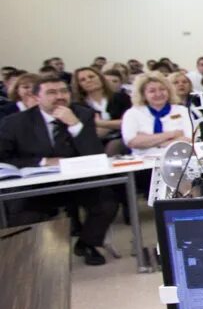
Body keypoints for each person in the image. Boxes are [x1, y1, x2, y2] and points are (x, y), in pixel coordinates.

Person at [0, 75, 117, 264]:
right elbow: (4, 157)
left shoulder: (82, 114)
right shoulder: (15, 123)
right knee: (23, 212)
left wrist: (75, 126)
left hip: (77, 182)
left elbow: (95, 155)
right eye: (52, 92)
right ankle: (34, 255)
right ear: (37, 97)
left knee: (106, 202)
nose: (60, 96)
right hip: (35, 186)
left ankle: (87, 244)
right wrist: (43, 161)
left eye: (63, 91)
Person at [122, 72, 193, 154]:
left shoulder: (182, 111)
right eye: (152, 91)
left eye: (162, 89)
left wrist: (147, 140)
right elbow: (132, 142)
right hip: (143, 161)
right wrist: (171, 134)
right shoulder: (132, 113)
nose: (158, 94)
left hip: (179, 158)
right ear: (143, 94)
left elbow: (189, 139)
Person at [71, 66, 129, 140]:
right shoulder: (78, 105)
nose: (88, 80)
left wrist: (101, 124)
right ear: (79, 85)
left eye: (91, 77)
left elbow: (129, 122)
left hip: (121, 140)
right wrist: (113, 125)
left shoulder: (122, 97)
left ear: (100, 78)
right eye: (82, 80)